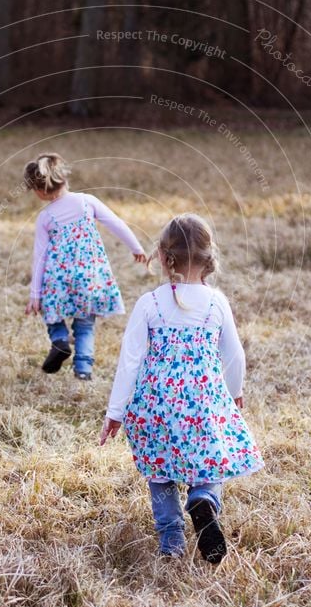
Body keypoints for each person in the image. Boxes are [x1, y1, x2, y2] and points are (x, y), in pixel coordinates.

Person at [100, 213, 264, 562]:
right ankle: (204, 499)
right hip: (202, 402)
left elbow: (129, 361)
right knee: (210, 461)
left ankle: (171, 539)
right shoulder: (216, 301)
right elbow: (234, 357)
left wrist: (116, 412)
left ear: (162, 256)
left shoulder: (150, 302)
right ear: (208, 258)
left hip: (155, 403)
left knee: (159, 470)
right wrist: (234, 395)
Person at [24, 153, 146, 379]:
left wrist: (35, 295)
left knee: (52, 314)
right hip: (89, 277)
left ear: (40, 191)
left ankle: (59, 339)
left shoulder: (45, 217)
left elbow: (39, 257)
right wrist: (136, 248)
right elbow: (116, 223)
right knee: (85, 326)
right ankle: (83, 370)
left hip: (58, 279)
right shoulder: (86, 201)